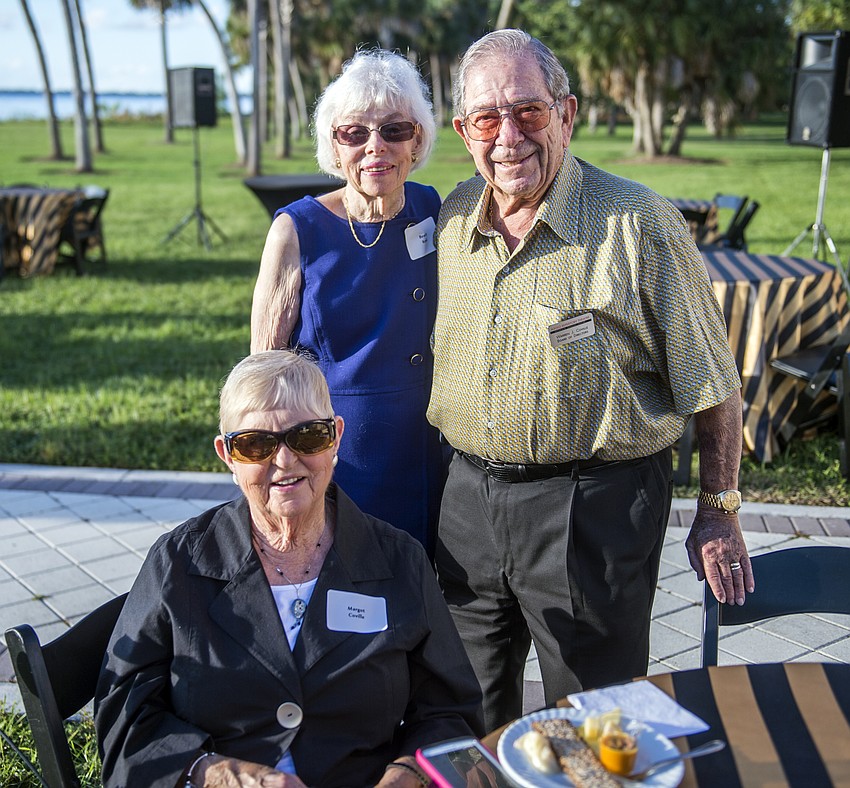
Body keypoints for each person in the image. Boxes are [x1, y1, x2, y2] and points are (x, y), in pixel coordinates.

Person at [427, 29, 754, 731]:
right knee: (465, 709)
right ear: (463, 130)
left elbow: (715, 384)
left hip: (592, 509)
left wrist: (720, 508)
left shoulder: (638, 223)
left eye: (529, 112)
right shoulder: (452, 220)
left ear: (567, 114)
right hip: (466, 508)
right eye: (487, 118)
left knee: (595, 716)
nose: (508, 137)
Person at [95, 350, 483, 787]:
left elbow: (451, 713)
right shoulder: (179, 563)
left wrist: (407, 775)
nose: (284, 461)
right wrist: (220, 774)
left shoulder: (398, 562)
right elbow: (124, 721)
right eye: (256, 444)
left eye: (308, 437)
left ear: (335, 438)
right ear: (227, 453)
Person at [251, 50, 444, 554]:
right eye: (354, 133)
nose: (375, 147)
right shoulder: (296, 229)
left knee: (421, 590)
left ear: (417, 140)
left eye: (394, 130)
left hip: (426, 447)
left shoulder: (432, 208)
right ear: (334, 149)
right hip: (338, 455)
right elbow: (264, 371)